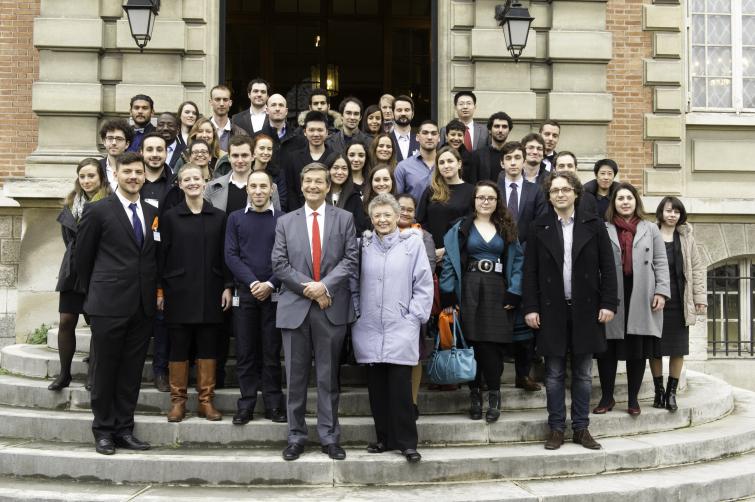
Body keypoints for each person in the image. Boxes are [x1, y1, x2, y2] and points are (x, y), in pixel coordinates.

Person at [522, 171, 618, 451]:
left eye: (565, 189)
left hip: (586, 310)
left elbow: (608, 269)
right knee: (552, 374)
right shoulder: (538, 227)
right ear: (549, 196)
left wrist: (608, 304)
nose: (560, 194)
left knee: (584, 373)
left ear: (576, 193)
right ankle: (556, 428)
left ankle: (581, 428)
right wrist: (530, 307)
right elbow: (530, 271)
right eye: (554, 191)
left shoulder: (594, 225)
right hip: (551, 310)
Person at [272, 162, 358, 462]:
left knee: (328, 378)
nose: (313, 186)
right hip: (296, 308)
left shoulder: (344, 219)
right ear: (301, 184)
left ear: (328, 185)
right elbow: (279, 264)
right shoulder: (285, 221)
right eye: (308, 181)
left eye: (318, 182)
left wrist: (325, 287)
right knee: (295, 379)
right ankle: (296, 436)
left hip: (330, 309)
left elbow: (350, 260)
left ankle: (329, 436)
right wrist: (311, 288)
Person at [75, 151, 159, 455]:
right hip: (107, 305)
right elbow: (81, 259)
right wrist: (94, 295)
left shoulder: (151, 212)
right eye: (128, 172)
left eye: (138, 172)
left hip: (141, 306)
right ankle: (103, 431)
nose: (134, 177)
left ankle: (125, 429)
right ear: (117, 175)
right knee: (106, 369)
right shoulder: (98, 211)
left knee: (131, 372)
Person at [352, 193, 433, 463]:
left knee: (400, 387)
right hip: (370, 325)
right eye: (377, 215)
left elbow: (423, 282)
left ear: (398, 217)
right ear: (371, 218)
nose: (383, 220)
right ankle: (384, 438)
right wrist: (356, 312)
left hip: (401, 324)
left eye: (388, 215)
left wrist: (415, 316)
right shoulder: (363, 245)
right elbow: (353, 281)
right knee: (377, 389)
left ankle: (407, 443)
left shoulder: (412, 245)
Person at [440, 181, 524, 422]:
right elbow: (448, 263)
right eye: (481, 198)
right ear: (474, 201)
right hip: (469, 288)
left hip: (497, 289)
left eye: (490, 198)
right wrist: (448, 294)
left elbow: (518, 262)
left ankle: (495, 397)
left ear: (497, 202)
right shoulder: (460, 228)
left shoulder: (507, 227)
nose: (485, 202)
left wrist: (514, 291)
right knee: (472, 345)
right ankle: (475, 396)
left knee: (492, 347)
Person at [159, 163, 232, 423]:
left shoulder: (219, 217)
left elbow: (226, 256)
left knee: (208, 348)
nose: (192, 183)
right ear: (179, 184)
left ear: (205, 181)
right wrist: (160, 290)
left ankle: (205, 401)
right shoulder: (169, 217)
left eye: (196, 178)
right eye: (186, 179)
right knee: (178, 348)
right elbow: (161, 256)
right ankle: (178, 402)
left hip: (211, 291)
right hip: (177, 291)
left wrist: (227, 286)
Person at [596, 182, 670, 416]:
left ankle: (633, 399)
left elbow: (660, 261)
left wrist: (661, 291)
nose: (625, 202)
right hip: (611, 294)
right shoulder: (603, 228)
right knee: (607, 349)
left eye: (629, 198)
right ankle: (607, 398)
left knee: (636, 349)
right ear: (614, 203)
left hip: (642, 293)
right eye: (620, 198)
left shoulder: (651, 229)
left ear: (636, 201)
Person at [225, 170, 286, 425]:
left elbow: (288, 257)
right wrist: (252, 283)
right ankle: (246, 404)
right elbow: (231, 255)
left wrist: (270, 283)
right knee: (246, 352)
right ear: (247, 189)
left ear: (272, 189)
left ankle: (274, 404)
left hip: (274, 294)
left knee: (271, 353)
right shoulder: (235, 218)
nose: (259, 191)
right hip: (246, 294)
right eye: (254, 186)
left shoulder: (284, 219)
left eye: (263, 186)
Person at [50, 158, 111, 391]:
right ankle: (64, 373)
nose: (86, 181)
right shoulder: (70, 203)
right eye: (82, 176)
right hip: (72, 271)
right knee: (66, 321)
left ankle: (93, 375)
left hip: (98, 270)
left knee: (97, 323)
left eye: (91, 176)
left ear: (101, 178)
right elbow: (68, 240)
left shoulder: (110, 202)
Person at [496, 141, 547, 391]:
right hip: (496, 258)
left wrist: (524, 253)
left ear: (524, 160)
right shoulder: (492, 189)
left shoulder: (535, 191)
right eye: (509, 158)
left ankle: (523, 374)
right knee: (495, 315)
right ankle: (490, 374)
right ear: (502, 162)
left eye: (518, 157)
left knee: (526, 318)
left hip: (526, 258)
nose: (514, 162)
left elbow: (539, 224)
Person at [650, 197, 706, 412]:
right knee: (654, 349)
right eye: (668, 211)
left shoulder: (686, 237)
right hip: (655, 300)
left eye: (676, 211)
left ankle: (671, 393)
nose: (672, 215)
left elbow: (696, 269)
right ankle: (658, 391)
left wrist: (699, 299)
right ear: (661, 213)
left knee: (678, 349)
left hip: (680, 300)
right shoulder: (650, 233)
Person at [396, 193, 436, 417]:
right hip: (387, 305)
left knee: (415, 355)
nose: (405, 212)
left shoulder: (425, 236)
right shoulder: (381, 234)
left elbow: (428, 270)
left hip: (413, 304)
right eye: (401, 208)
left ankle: (412, 402)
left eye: (410, 209)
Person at [417, 146, 475, 266]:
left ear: (459, 164)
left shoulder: (472, 191)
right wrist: (431, 249)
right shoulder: (431, 191)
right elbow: (421, 223)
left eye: (450, 161)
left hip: (458, 255)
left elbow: (471, 226)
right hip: (431, 255)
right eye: (441, 162)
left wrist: (446, 250)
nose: (446, 165)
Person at [284, 111, 335, 210]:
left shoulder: (334, 157)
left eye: (320, 130)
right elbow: (291, 191)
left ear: (327, 132)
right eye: (311, 130)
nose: (316, 134)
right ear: (305, 132)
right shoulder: (293, 158)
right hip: (299, 212)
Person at [394, 120, 440, 203]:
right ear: (417, 137)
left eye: (433, 133)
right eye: (425, 133)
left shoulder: (446, 166)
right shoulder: (403, 167)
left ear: (439, 138)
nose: (429, 137)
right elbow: (397, 200)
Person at [327, 154, 365, 233]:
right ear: (328, 170)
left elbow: (360, 227)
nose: (340, 172)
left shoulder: (355, 197)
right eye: (335, 168)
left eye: (344, 168)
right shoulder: (319, 196)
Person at [472, 111, 514, 182]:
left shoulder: (515, 155)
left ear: (509, 130)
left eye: (504, 127)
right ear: (489, 130)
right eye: (497, 126)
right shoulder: (478, 155)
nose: (500, 130)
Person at [250, 133, 286, 212]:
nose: (266, 152)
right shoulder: (246, 171)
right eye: (262, 148)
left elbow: (282, 201)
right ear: (253, 152)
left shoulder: (278, 173)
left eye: (269, 149)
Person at [209, 85, 248, 152]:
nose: (221, 104)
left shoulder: (241, 134)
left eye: (225, 100)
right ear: (211, 102)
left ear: (230, 103)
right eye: (217, 99)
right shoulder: (200, 131)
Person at [98, 119, 133, 191]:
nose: (114, 142)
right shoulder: (97, 166)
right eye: (110, 138)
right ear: (104, 142)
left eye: (119, 139)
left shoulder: (134, 167)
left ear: (127, 144)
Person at [443, 119, 477, 183]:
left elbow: (472, 181)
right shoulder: (439, 154)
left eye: (460, 135)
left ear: (464, 137)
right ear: (446, 136)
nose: (456, 138)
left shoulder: (470, 158)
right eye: (453, 134)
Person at [390, 95, 419, 162]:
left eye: (407, 110)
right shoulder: (386, 139)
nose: (403, 113)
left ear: (413, 114)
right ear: (392, 114)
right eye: (399, 110)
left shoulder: (421, 139)